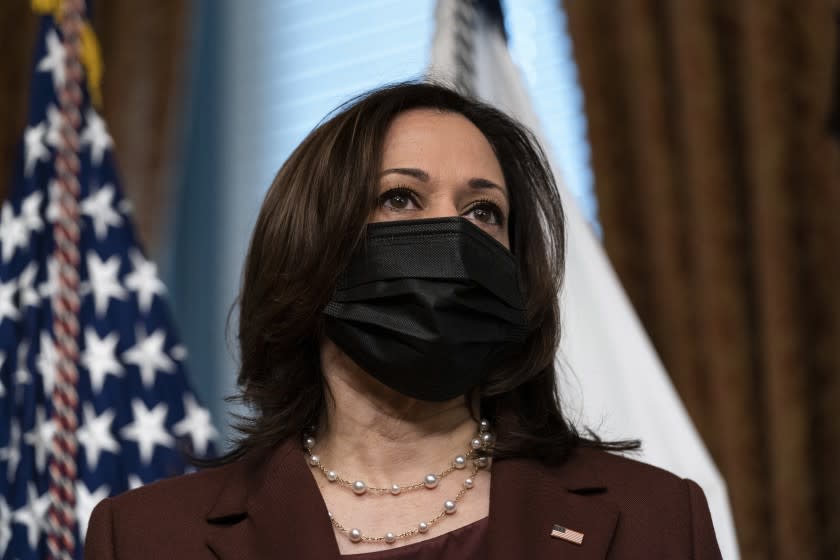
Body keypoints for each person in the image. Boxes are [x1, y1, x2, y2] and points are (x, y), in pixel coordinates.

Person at [85, 82, 723, 559]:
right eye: (399, 198)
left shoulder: (655, 520)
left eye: (483, 213)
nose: (450, 233)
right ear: (312, 246)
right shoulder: (146, 537)